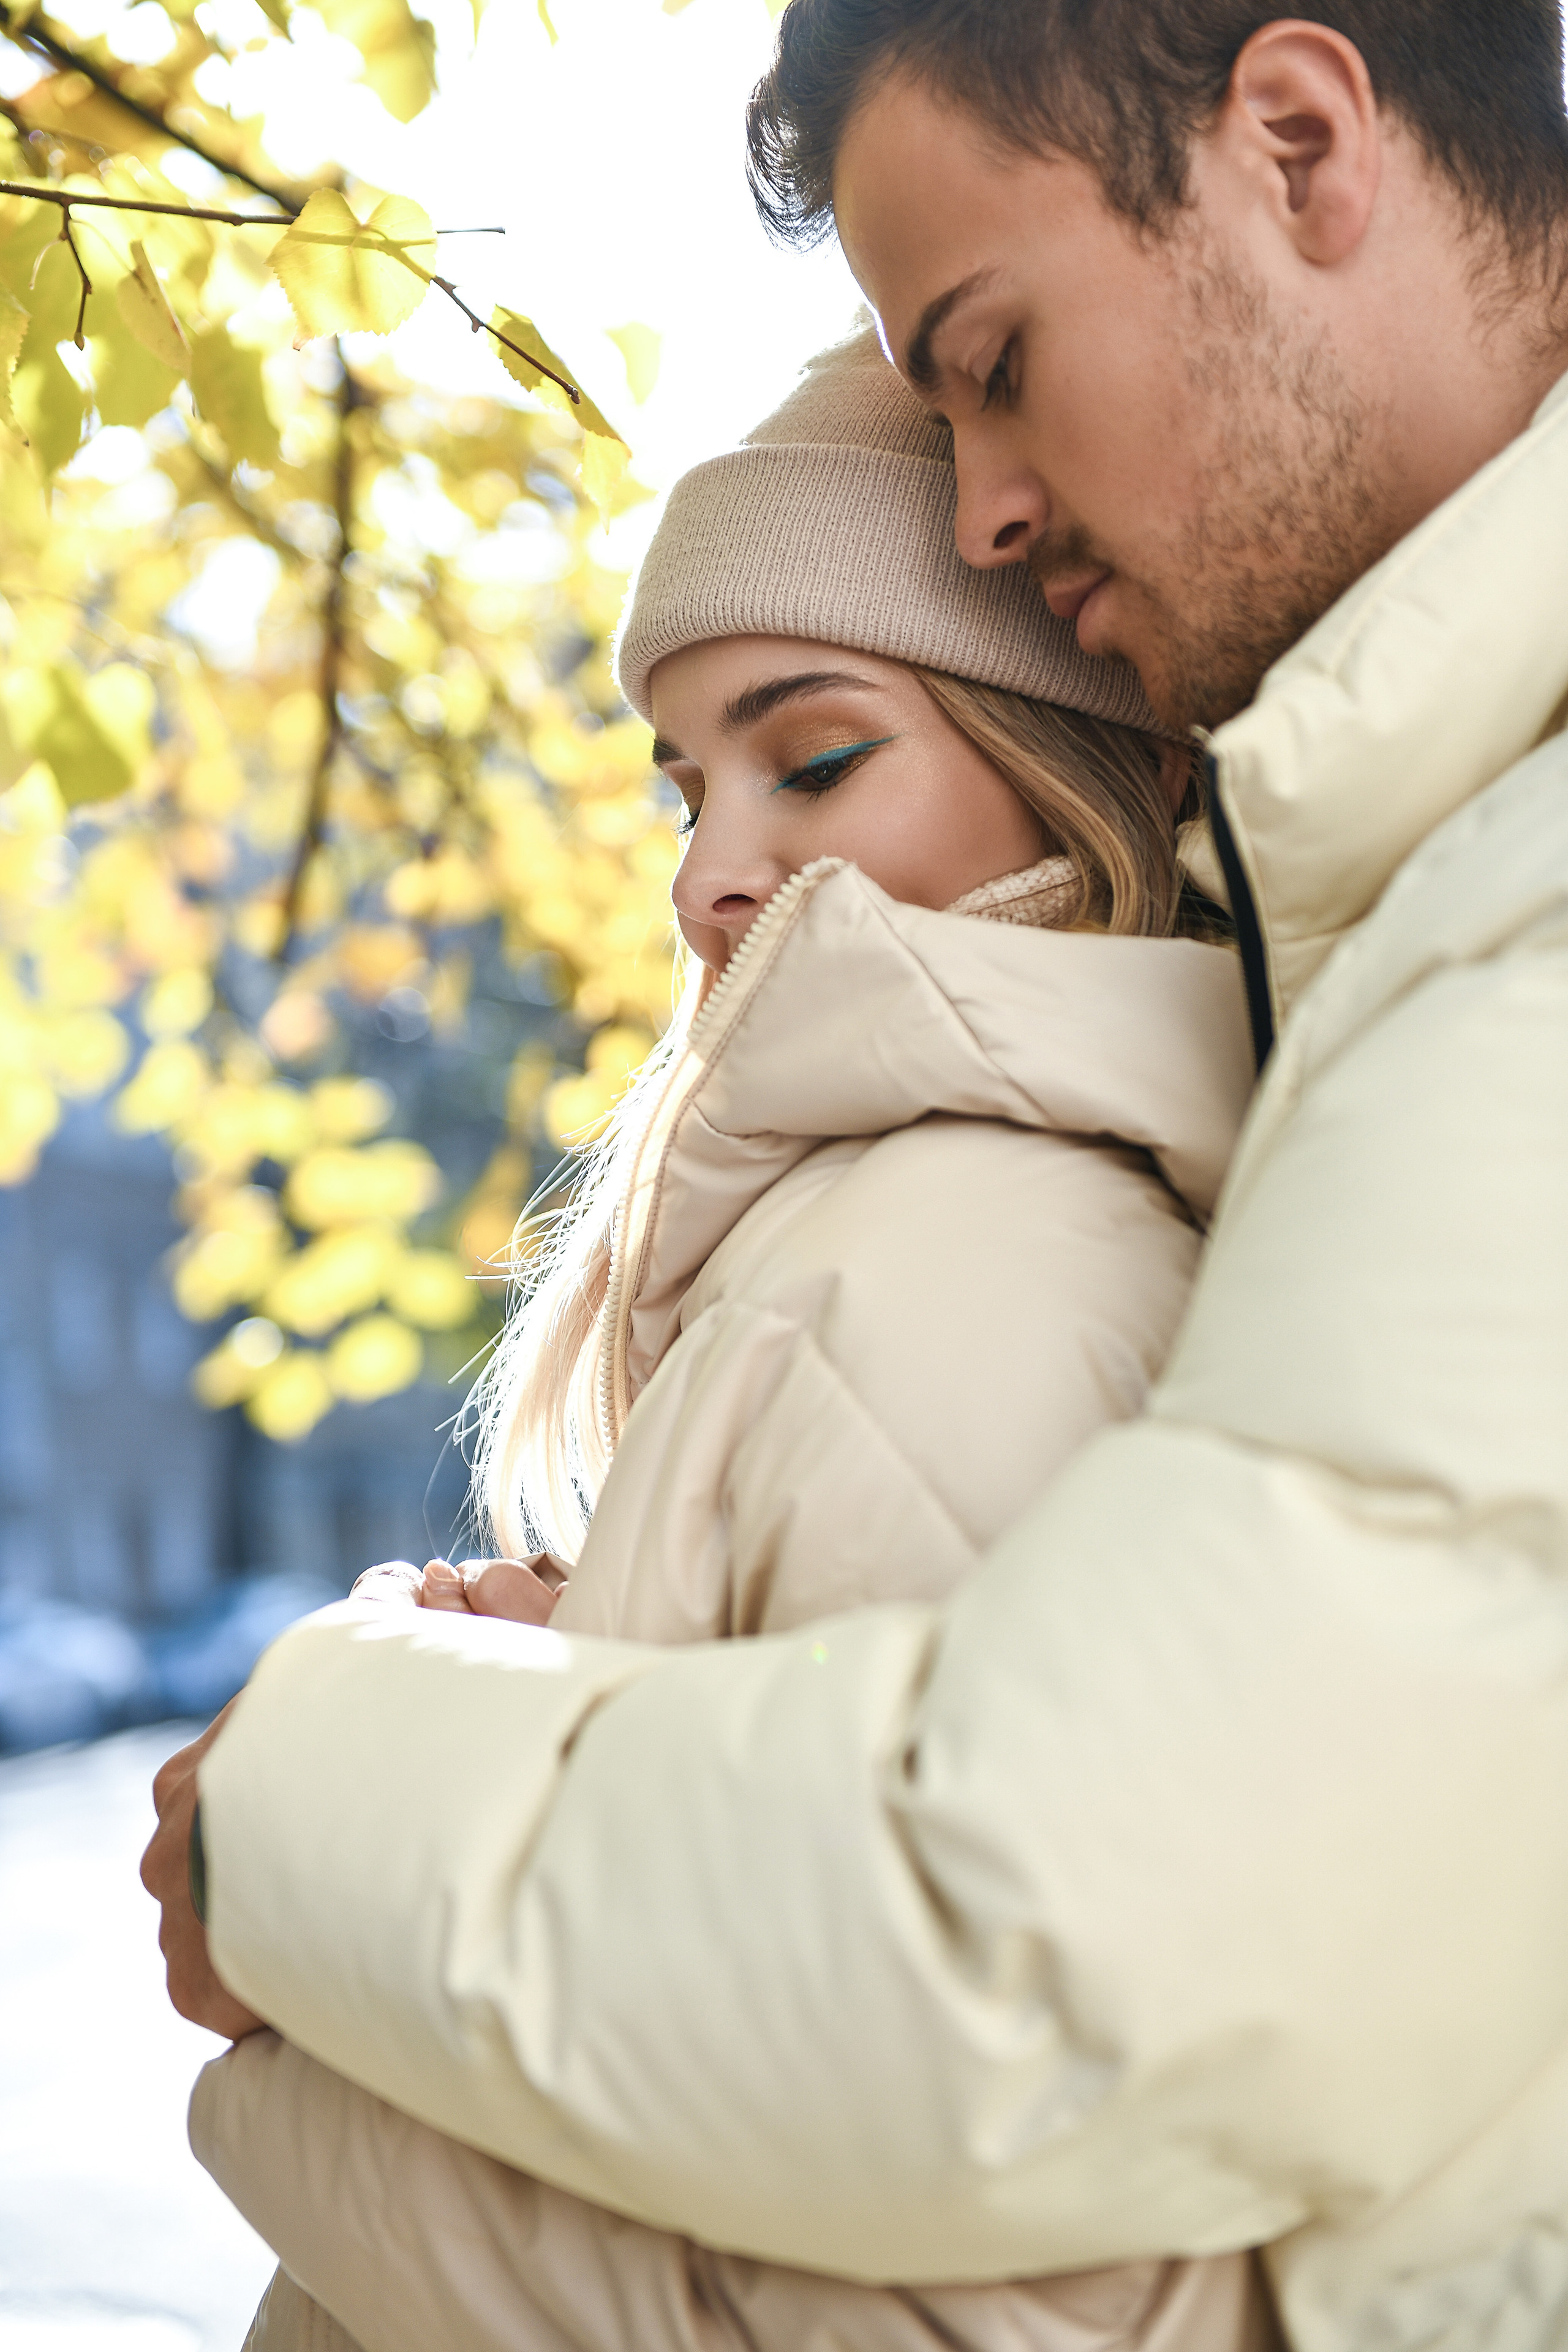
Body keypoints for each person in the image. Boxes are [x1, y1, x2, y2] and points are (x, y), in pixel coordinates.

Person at [143, 6, 1568, 2346]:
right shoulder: (1400, 932)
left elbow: (1049, 1986)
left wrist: (306, 1842)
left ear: (1303, 141)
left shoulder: (1007, 1231)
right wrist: (613, 1693)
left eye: (994, 358)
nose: (990, 495)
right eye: (684, 791)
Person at [188, 324, 1271, 2351]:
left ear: (1070, 753)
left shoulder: (976, 1267)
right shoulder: (890, 1242)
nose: (708, 871)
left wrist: (328, 1972)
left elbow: (980, 2285)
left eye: (818, 755)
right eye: (685, 789)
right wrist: (592, 1681)